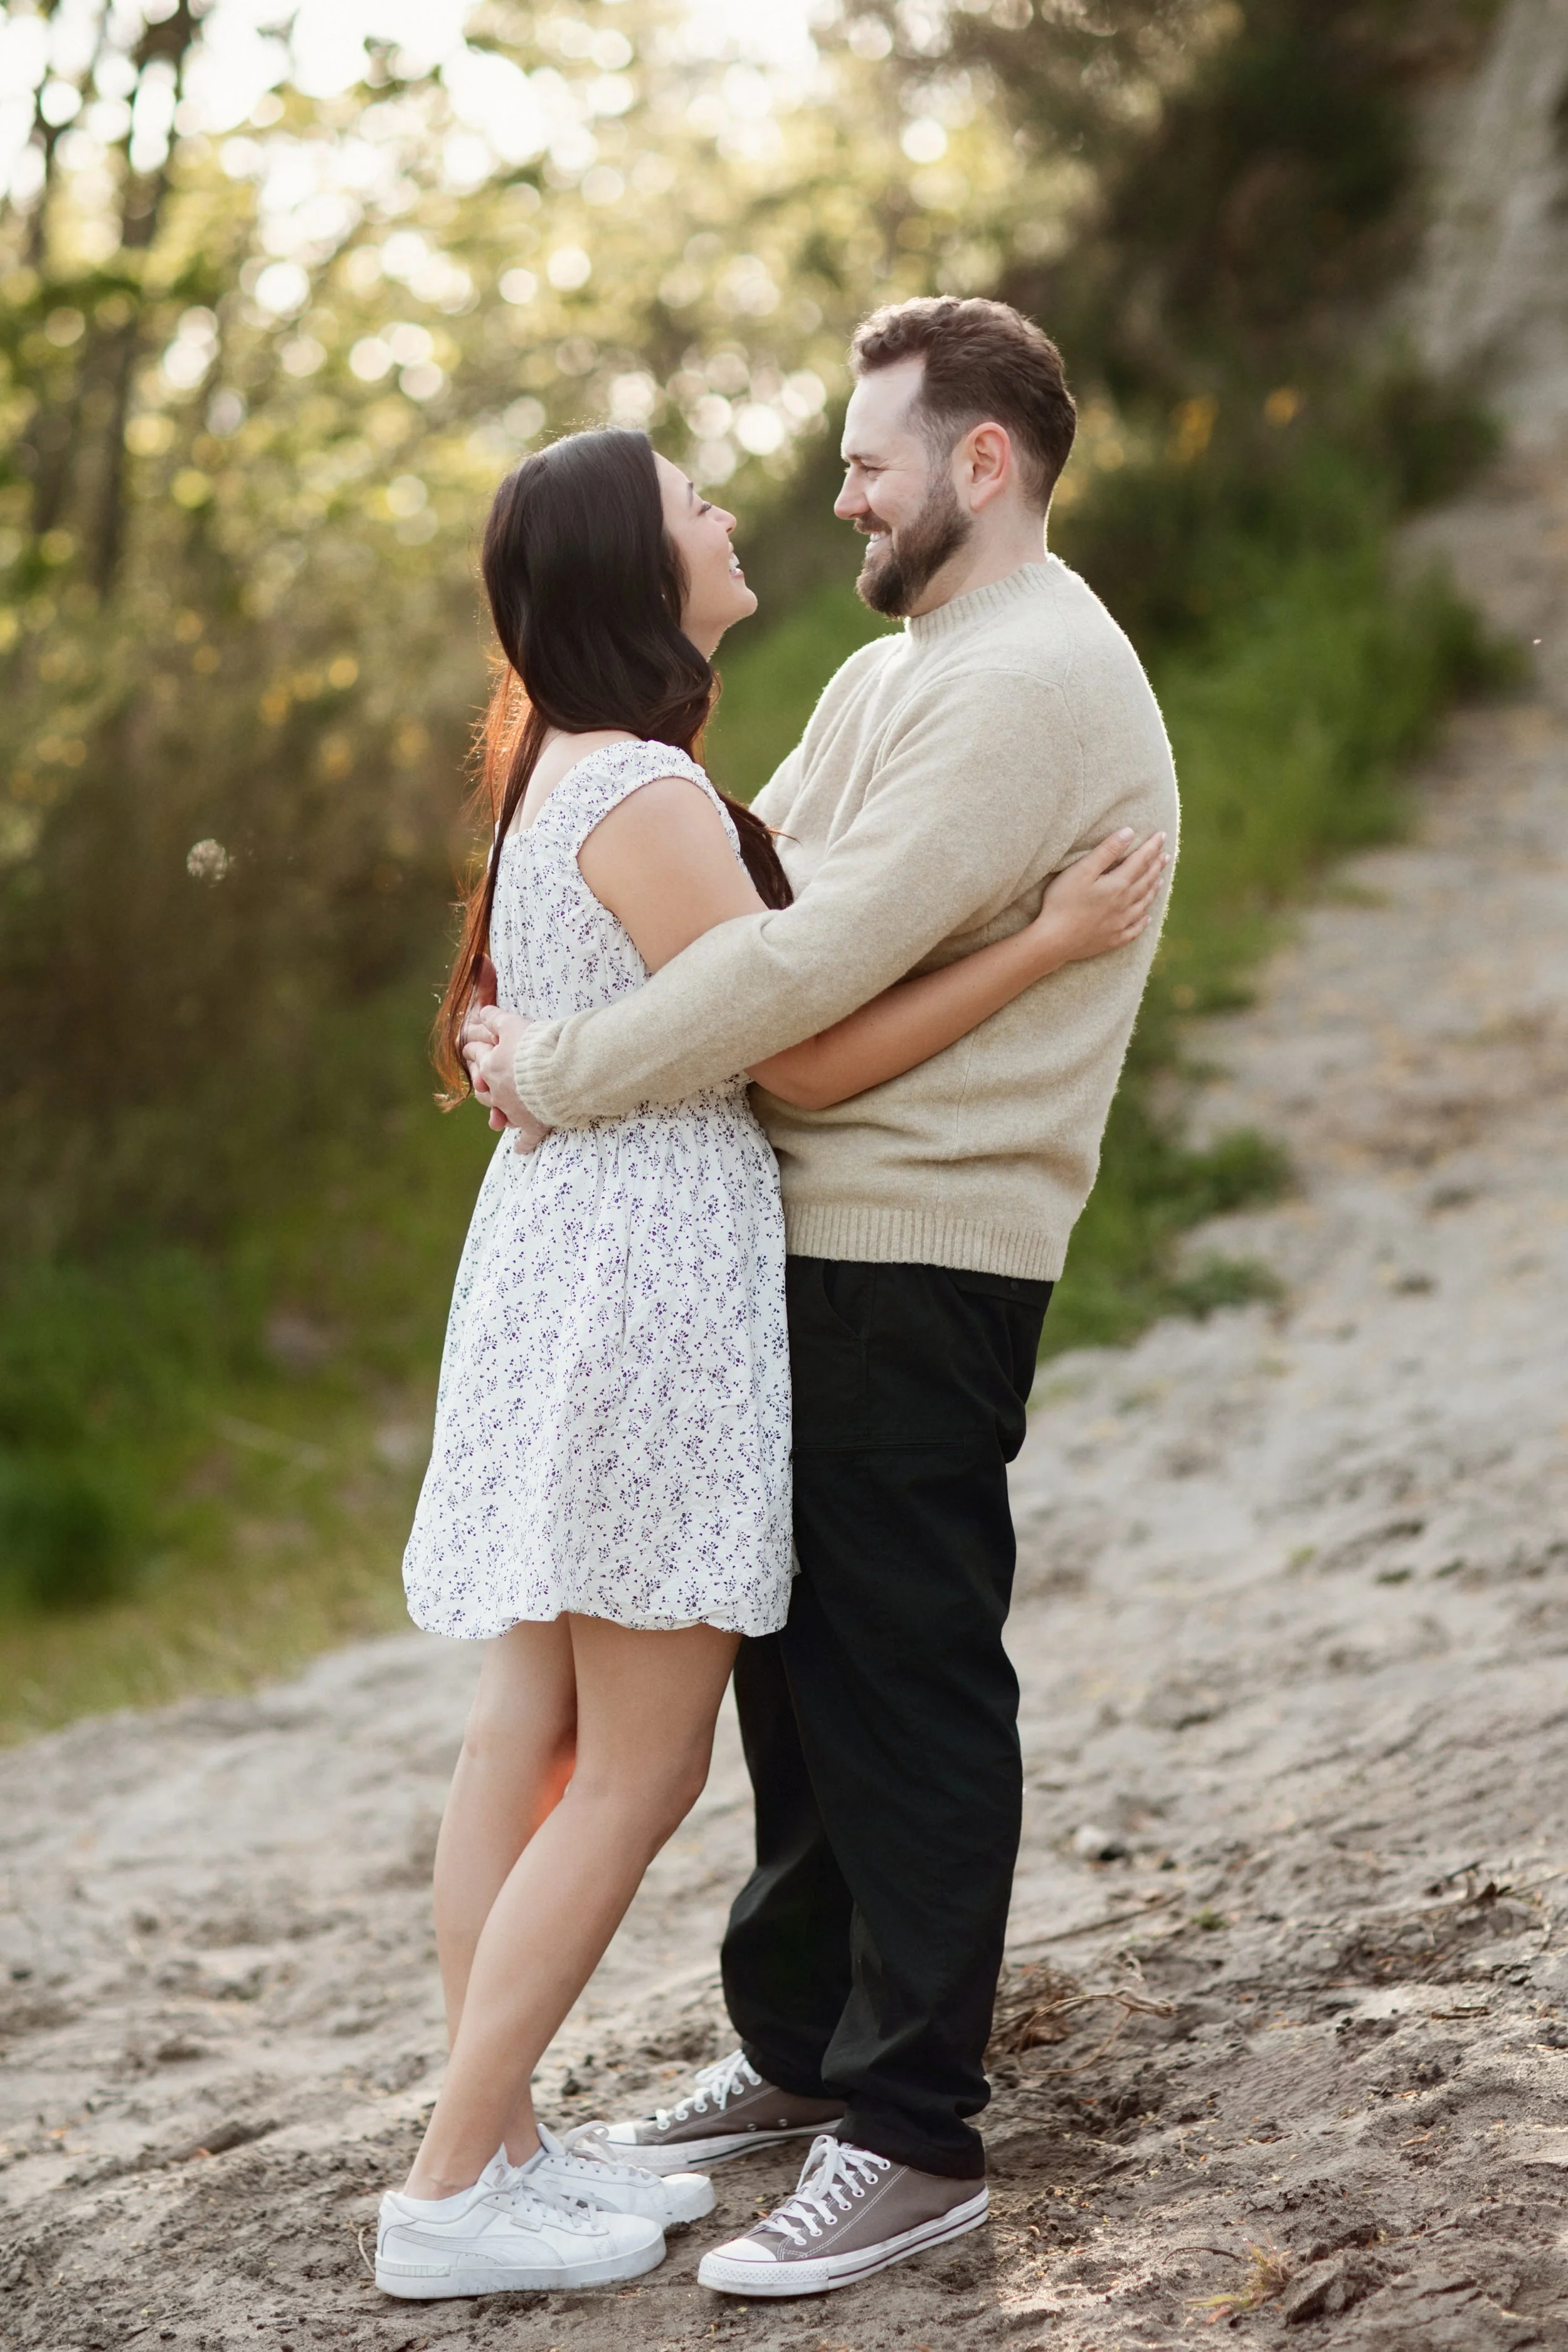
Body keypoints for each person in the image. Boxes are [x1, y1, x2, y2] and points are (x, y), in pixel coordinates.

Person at [374, 420, 1166, 2305]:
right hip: (650, 1269)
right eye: (695, 510)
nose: (738, 519)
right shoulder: (640, 784)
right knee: (633, 1767)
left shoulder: (568, 766)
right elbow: (800, 1049)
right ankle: (450, 2177)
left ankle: (492, 2139)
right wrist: (1047, 940)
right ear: (639, 579)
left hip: (563, 1260)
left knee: (533, 1725)